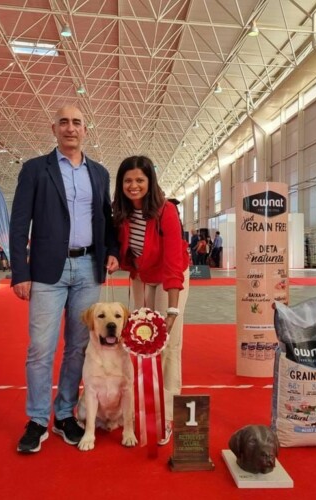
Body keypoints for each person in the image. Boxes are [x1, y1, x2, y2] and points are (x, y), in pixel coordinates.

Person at [9, 105, 119, 454]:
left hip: (88, 268)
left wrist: (111, 250)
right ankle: (37, 419)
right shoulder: (35, 169)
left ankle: (65, 414)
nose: (70, 128)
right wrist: (20, 271)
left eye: (77, 122)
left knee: (78, 347)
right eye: (64, 122)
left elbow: (106, 218)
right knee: (40, 348)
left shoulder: (99, 173)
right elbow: (19, 222)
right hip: (46, 271)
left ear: (86, 129)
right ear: (53, 128)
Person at [112, 155, 190, 446]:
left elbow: (172, 260)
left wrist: (172, 309)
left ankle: (167, 415)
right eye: (128, 180)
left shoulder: (166, 210)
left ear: (150, 182)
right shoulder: (120, 212)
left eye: (140, 180)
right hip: (141, 277)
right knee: (141, 342)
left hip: (171, 276)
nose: (133, 185)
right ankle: (142, 406)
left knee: (168, 344)